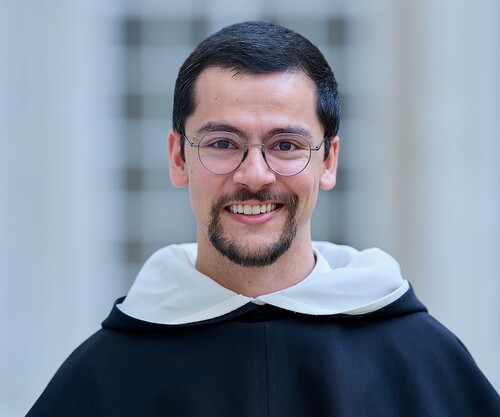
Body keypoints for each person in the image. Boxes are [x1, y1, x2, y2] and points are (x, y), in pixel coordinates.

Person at [27, 21, 500, 417]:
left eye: (286, 145)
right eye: (222, 143)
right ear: (177, 158)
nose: (254, 175)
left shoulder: (425, 364)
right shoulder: (100, 380)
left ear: (328, 161)